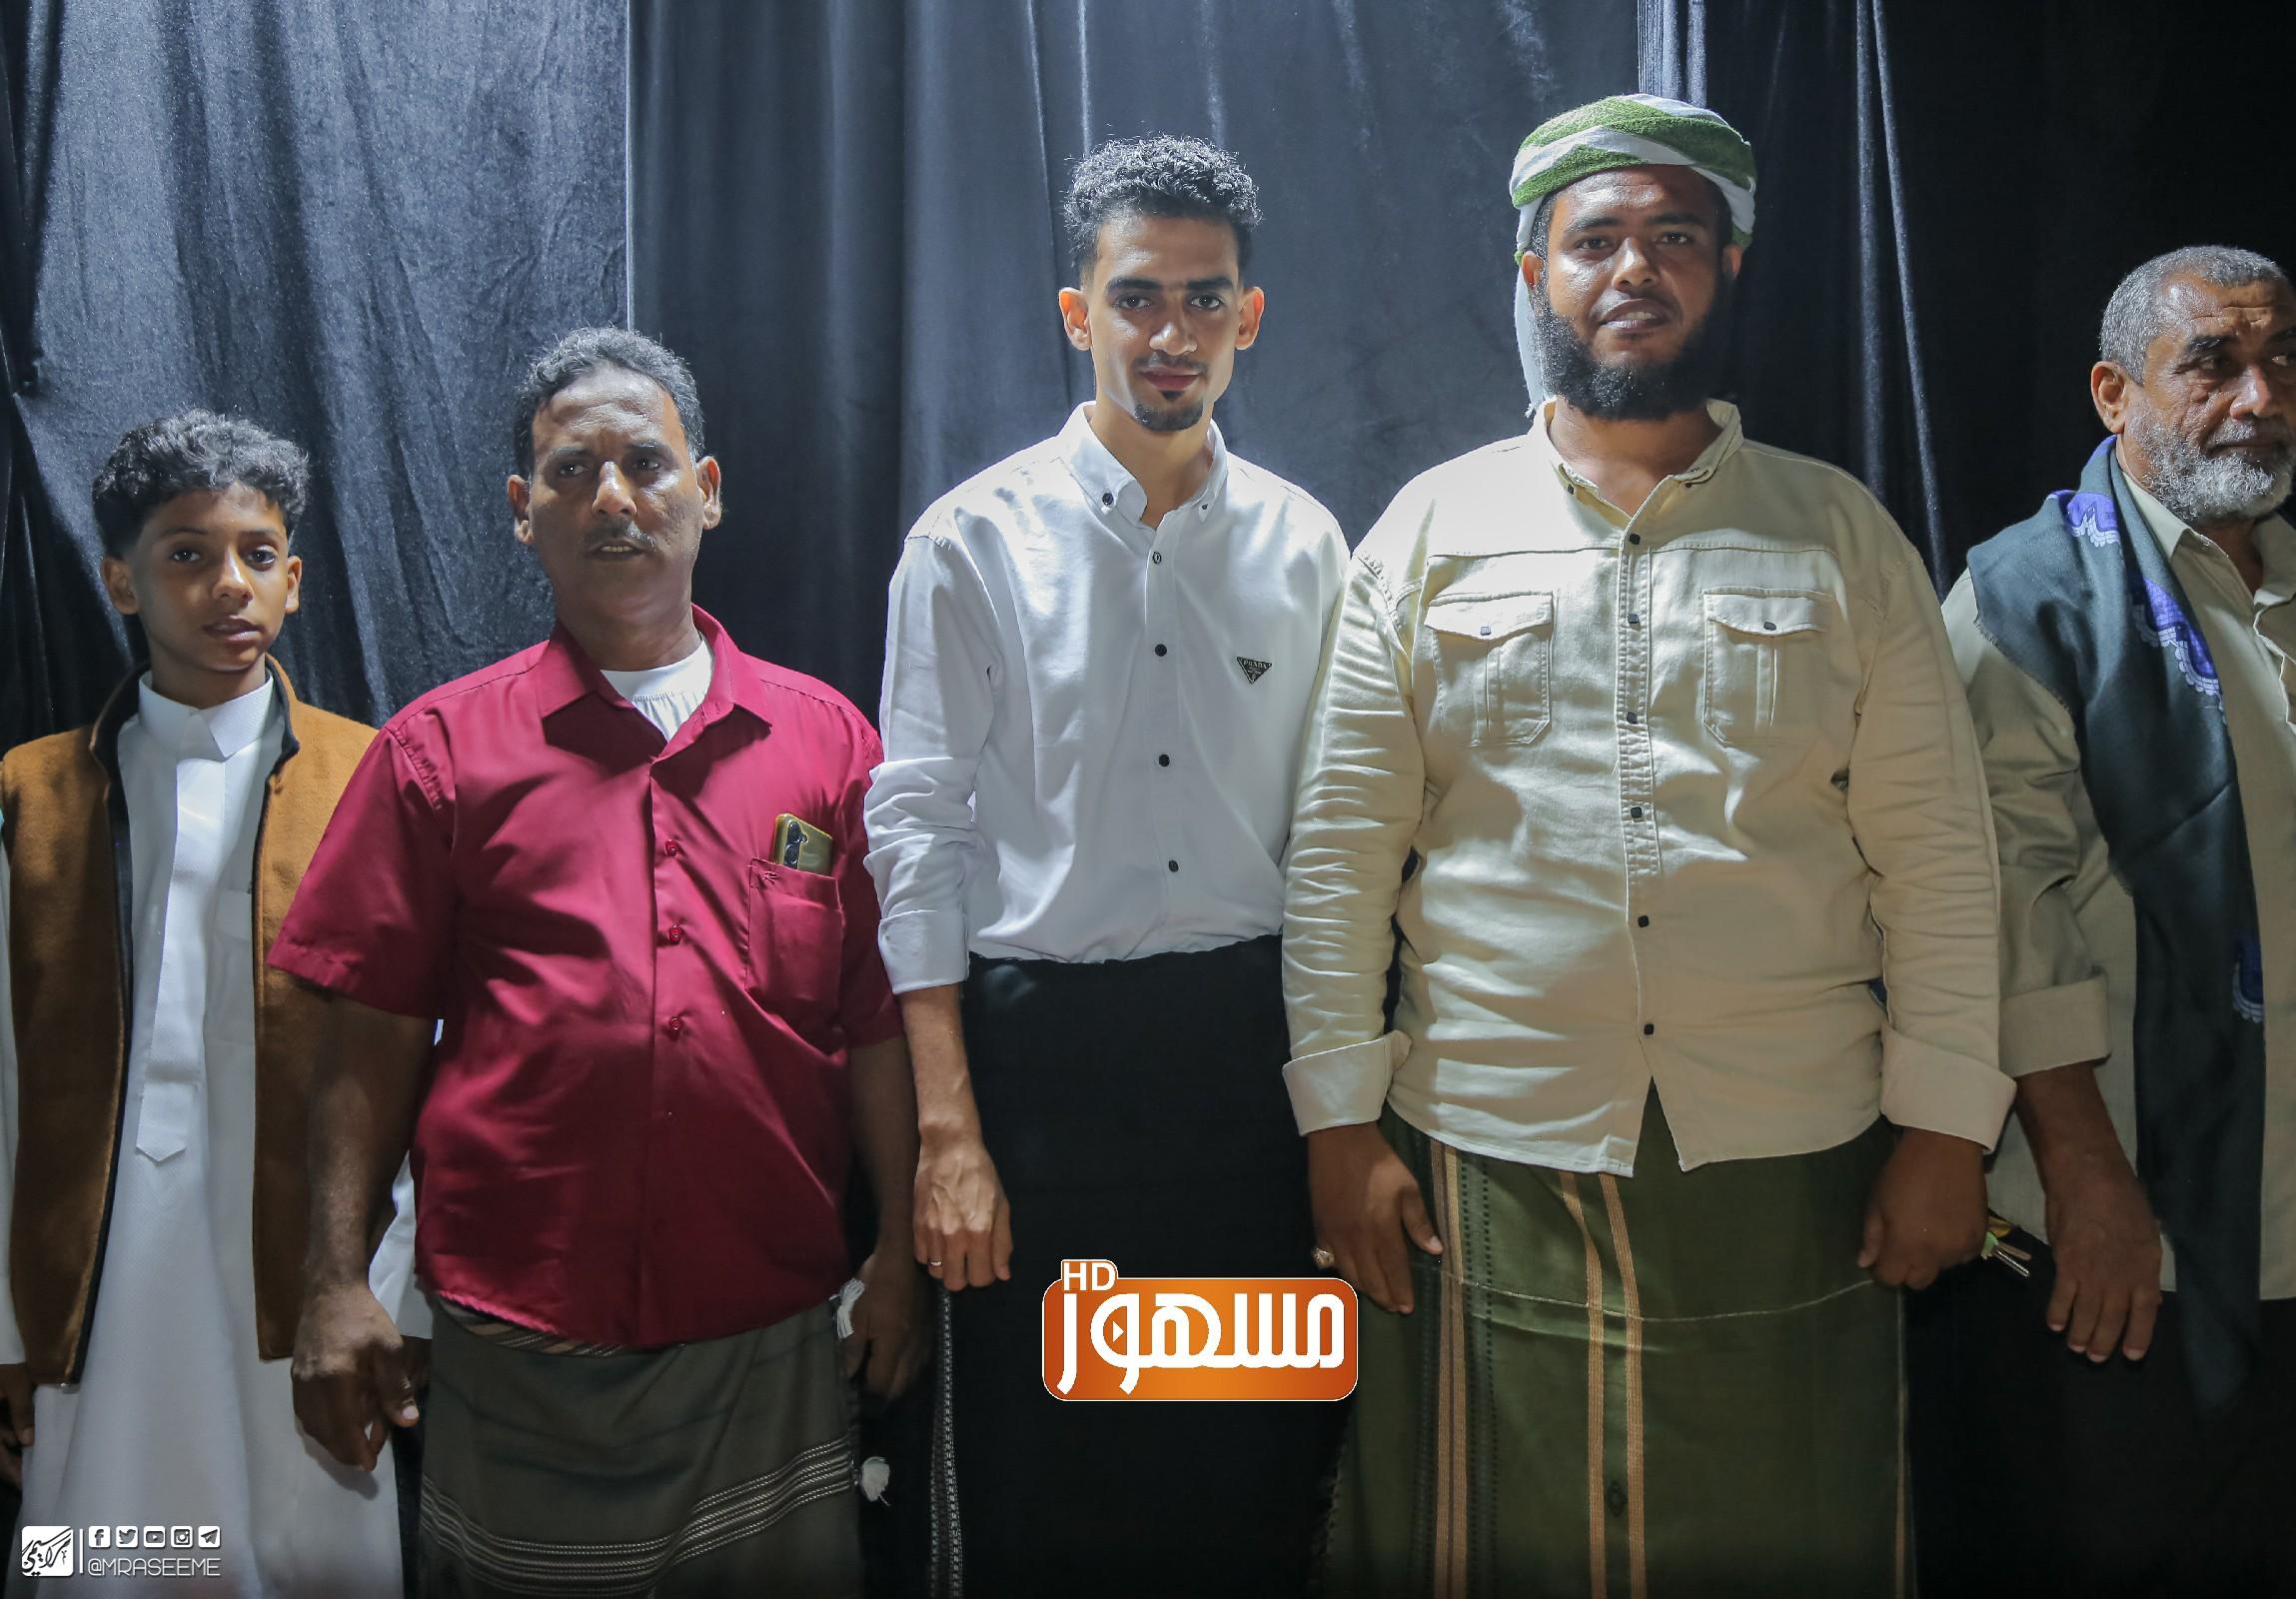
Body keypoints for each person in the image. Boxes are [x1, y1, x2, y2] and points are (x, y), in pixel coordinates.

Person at [1281, 95, 2011, 1594]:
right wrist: (1338, 1127)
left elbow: (1938, 856)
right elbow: (1344, 852)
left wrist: (1948, 1130)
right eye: (1595, 238)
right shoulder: (1426, 531)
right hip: (1490, 1140)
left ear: (1728, 267)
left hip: (1796, 1152)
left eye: (1676, 236)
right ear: (1532, 273)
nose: (1635, 269)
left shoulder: (1840, 532)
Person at [271, 328, 923, 1595]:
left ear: (707, 490)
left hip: (770, 1331)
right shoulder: (438, 753)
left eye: (644, 463)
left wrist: (898, 1248)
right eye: (572, 472)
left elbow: (879, 1023)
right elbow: (367, 1035)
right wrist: (333, 1281)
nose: (612, 497)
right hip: (520, 1342)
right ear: (524, 512)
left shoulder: (828, 743)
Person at [864, 135, 1348, 1593]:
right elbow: (918, 837)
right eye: (1137, 296)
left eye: (1204, 300)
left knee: (1249, 1462)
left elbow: (1342, 838)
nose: (1170, 332)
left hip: (1248, 1067)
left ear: (1249, 317)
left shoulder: (1309, 545)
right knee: (1046, 1485)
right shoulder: (968, 543)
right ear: (1079, 312)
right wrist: (948, 1135)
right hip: (1041, 1076)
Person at [1919, 247, 2296, 1595]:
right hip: (2132, 1245)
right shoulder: (2027, 598)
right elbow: (1994, 912)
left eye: (2285, 359)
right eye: (2213, 364)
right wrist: (2089, 1180)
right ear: (2114, 393)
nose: (2260, 396)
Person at [0, 412, 418, 1595]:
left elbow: (427, 1062)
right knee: (92, 1553)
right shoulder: (33, 794)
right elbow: (4, 1079)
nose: (229, 583)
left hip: (312, 1275)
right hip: (90, 1281)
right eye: (187, 553)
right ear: (119, 581)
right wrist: (6, 1329)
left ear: (295, 578)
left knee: (310, 1548)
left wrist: (404, 1295)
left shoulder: (376, 777)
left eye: (257, 552)